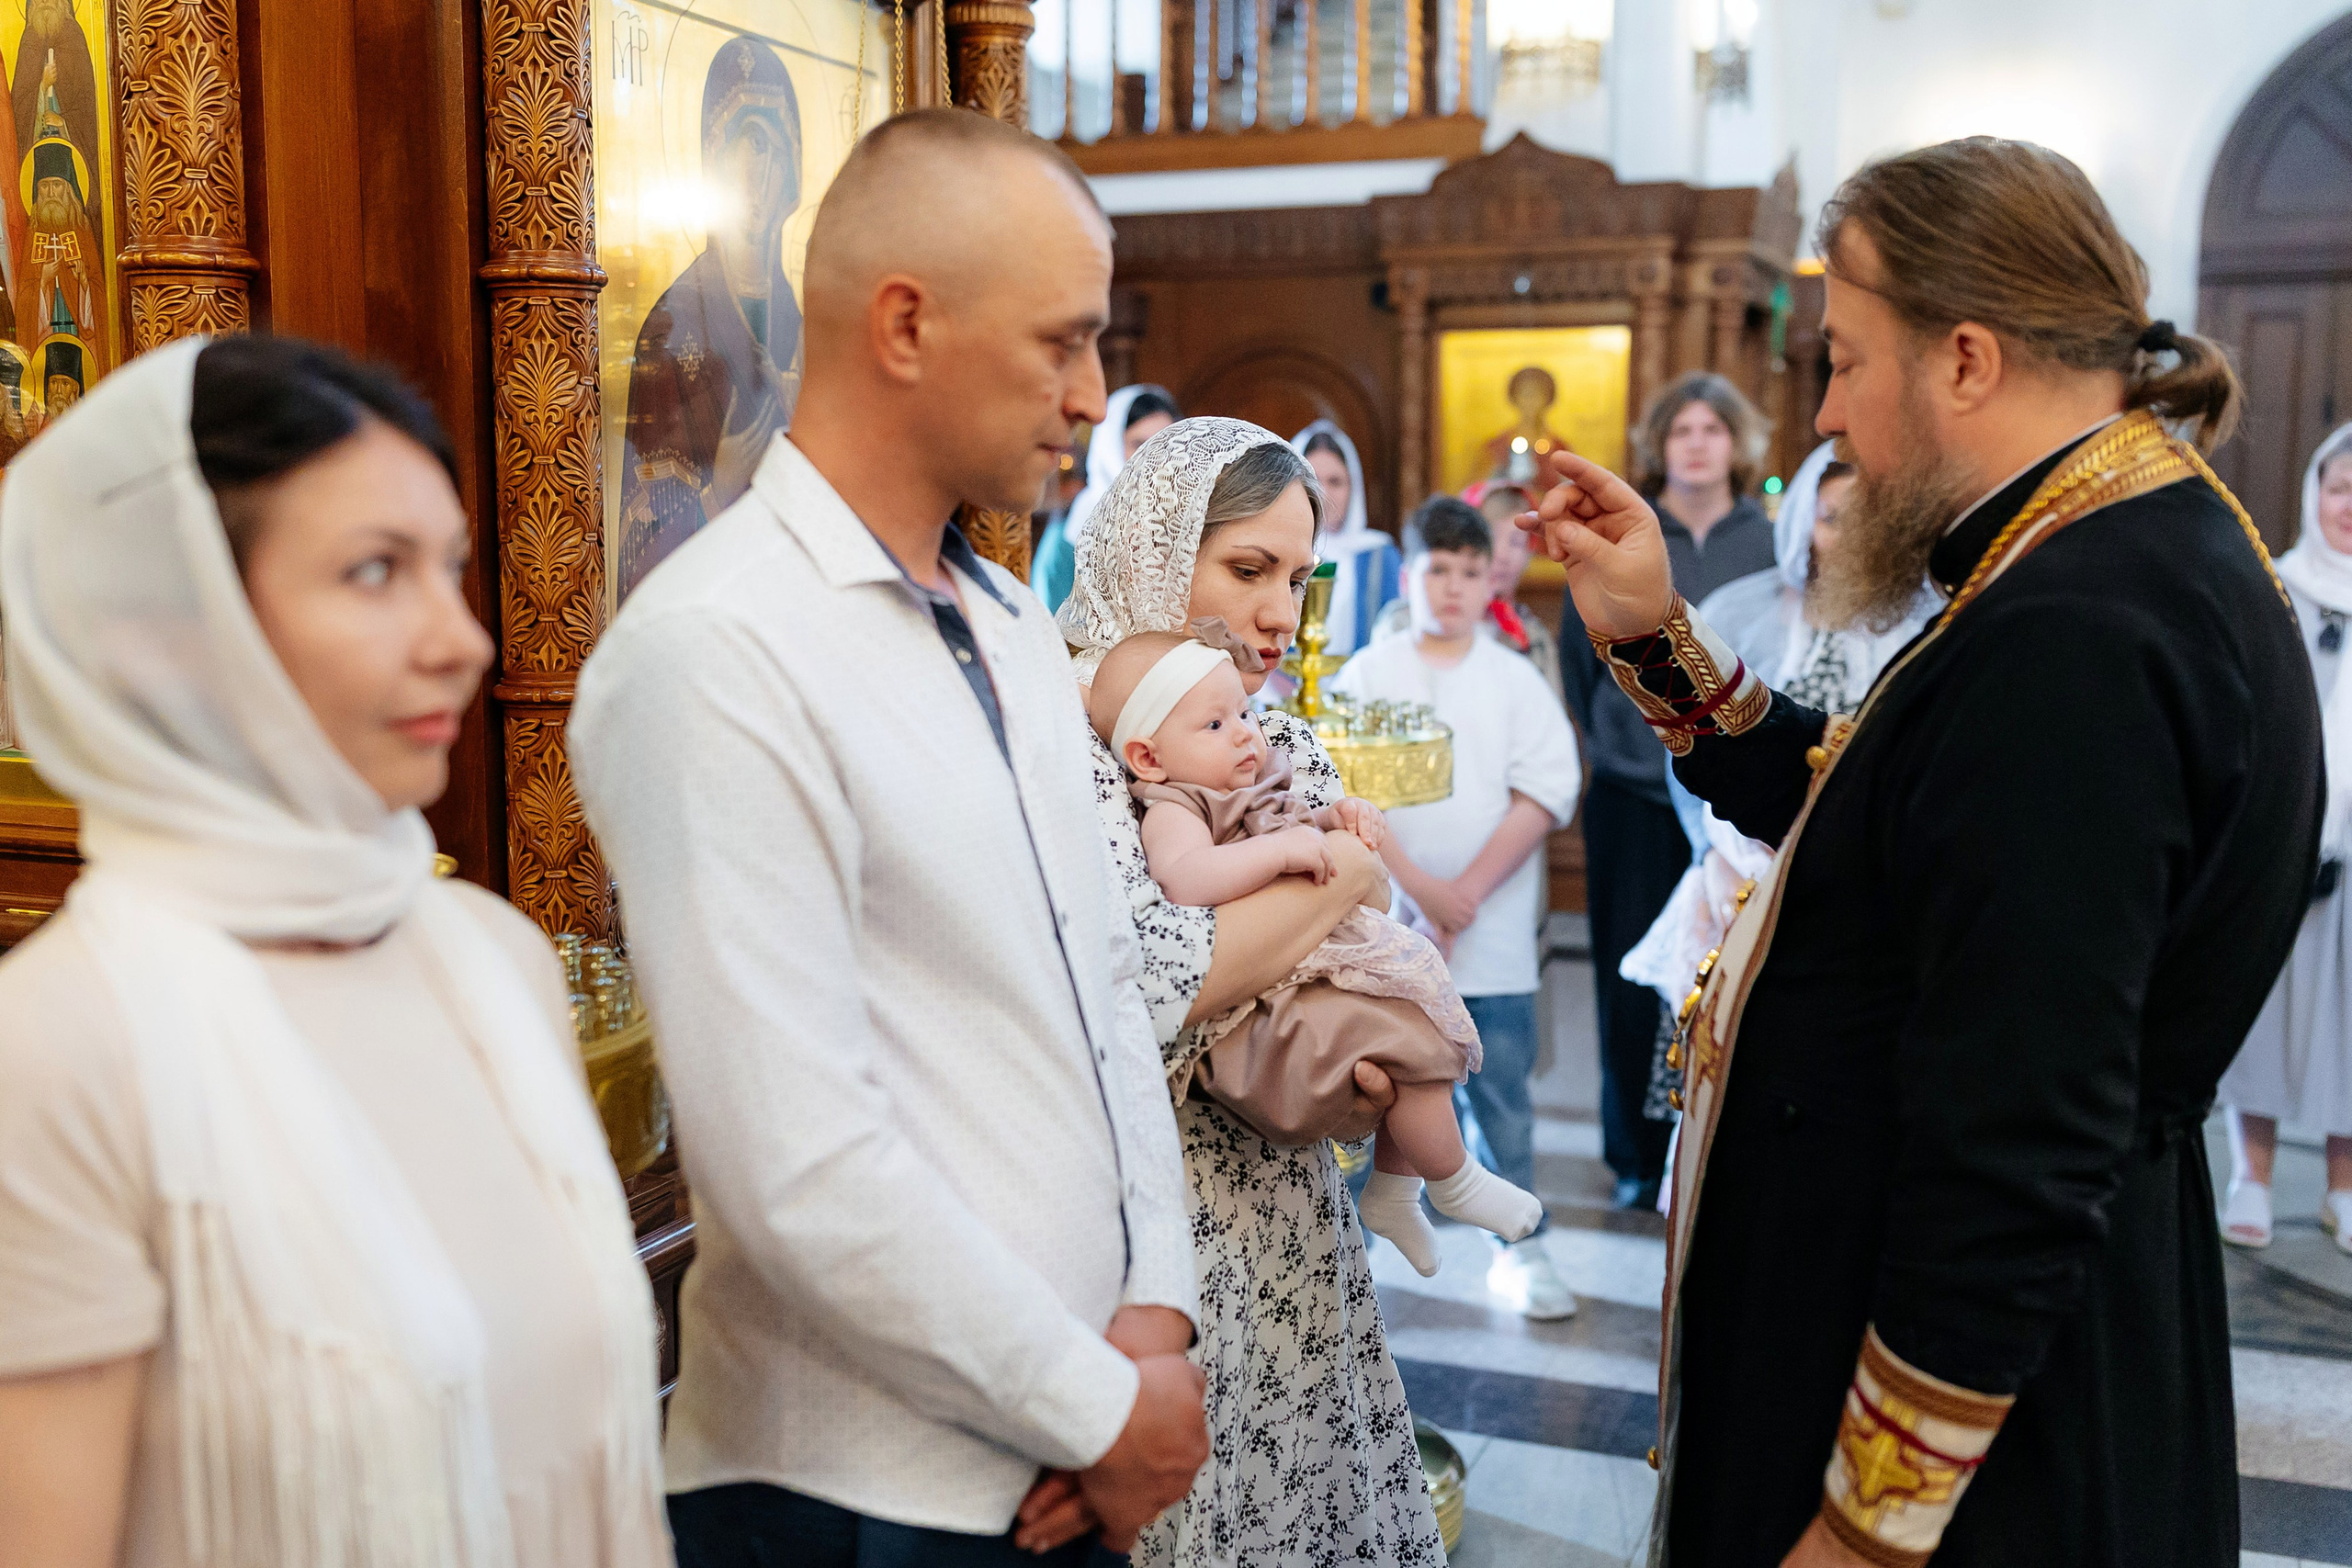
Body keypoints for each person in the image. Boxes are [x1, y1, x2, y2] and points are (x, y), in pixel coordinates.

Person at [1523, 137, 2320, 1568]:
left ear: (1965, 357)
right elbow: (1875, 811)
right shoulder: (2109, 548)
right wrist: (1654, 632)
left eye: (1842, 360)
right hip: (2020, 1348)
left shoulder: (2081, 631)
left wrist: (1865, 1529)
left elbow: (2019, 1137)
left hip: (1987, 1454)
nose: (1827, 420)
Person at [570, 111, 1206, 1566]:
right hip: (855, 1489)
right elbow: (794, 1159)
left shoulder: (1006, 620)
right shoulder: (718, 647)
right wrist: (1097, 1399)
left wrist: (1154, 1313)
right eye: (1063, 342)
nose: (1092, 395)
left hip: (1076, 1433)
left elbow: (1108, 985)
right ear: (906, 323)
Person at [0, 334, 669, 1567]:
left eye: (453, 569)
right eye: (375, 571)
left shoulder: (491, 957)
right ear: (173, 631)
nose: (460, 639)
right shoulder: (62, 1046)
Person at [1059, 416, 1447, 1566]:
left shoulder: (1258, 736)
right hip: (1141, 1235)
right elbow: (1165, 980)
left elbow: (1346, 965)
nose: (1283, 612)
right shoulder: (1067, 742)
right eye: (1247, 569)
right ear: (1149, 552)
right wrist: (1346, 878)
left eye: (1298, 576)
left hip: (1280, 1210)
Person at [1091, 622, 1542, 1273]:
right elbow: (1185, 880)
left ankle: (1397, 1189)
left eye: (1243, 712)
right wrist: (1276, 850)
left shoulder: (1253, 776)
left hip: (1315, 961)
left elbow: (1303, 822)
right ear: (1150, 757)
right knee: (1411, 1048)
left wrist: (1339, 817)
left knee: (1426, 1035)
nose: (1245, 732)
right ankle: (1455, 1180)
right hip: (1269, 992)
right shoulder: (1175, 806)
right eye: (1215, 726)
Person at [1331, 496, 1585, 1321]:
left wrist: (1465, 893)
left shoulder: (1510, 675)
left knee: (1500, 1089)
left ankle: (1521, 1248)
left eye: (1470, 571)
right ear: (1410, 575)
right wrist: (1418, 891)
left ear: (1491, 582)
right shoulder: (1371, 672)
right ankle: (1353, 1255)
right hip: (1390, 927)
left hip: (1492, 931)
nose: (1452, 586)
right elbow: (1348, 790)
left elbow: (1546, 787)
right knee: (1378, 1088)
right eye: (1437, 568)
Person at [1560, 370, 1776, 1210]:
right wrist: (1624, 744)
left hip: (1736, 804)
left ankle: (1720, 1136)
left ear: (1735, 441)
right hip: (1634, 793)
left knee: (1731, 970)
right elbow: (1585, 659)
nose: (1695, 442)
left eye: (1711, 429)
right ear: (1661, 443)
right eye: (1681, 429)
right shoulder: (1626, 530)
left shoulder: (1764, 539)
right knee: (1631, 974)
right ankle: (1635, 1152)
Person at [2220, 421, 2352, 1253]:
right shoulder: (2276, 586)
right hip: (2284, 835)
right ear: (2314, 494)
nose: (2351, 507)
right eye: (2340, 488)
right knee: (2262, 1005)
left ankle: (2345, 1187)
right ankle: (2251, 1175)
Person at [616, 37, 807, 602]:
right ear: (714, 156)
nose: (759, 170)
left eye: (772, 147)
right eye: (745, 143)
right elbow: (638, 537)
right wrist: (715, 490)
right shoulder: (675, 324)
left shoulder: (802, 325)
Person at [1034, 383, 1179, 615]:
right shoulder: (1072, 530)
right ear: (1109, 446)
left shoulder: (1186, 516)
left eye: (1165, 444)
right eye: (1139, 444)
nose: (1155, 457)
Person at [1293, 418, 1399, 656]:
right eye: (1313, 480)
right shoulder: (1277, 552)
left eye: (1336, 482)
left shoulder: (1380, 556)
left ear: (1354, 487)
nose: (1325, 494)